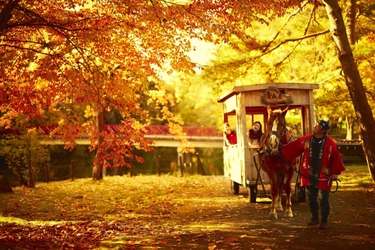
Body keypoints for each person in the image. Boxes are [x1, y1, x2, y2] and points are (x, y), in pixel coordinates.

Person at [281, 120, 345, 229]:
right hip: (308, 174)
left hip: (324, 175)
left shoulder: (330, 143)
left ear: (323, 130)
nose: (315, 127)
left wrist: (335, 173)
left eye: (318, 126)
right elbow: (293, 147)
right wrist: (279, 151)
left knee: (323, 199)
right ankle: (315, 218)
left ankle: (324, 220)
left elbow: (335, 158)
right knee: (311, 198)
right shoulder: (306, 139)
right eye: (315, 125)